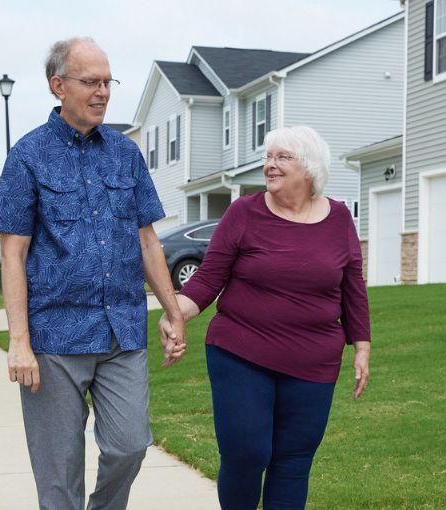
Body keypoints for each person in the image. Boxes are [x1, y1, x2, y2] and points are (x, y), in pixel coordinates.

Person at [0, 36, 186, 510]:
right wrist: (19, 340)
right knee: (59, 475)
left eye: (108, 82)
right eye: (90, 82)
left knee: (130, 444)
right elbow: (12, 254)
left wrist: (173, 310)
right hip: (54, 338)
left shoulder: (125, 154)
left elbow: (147, 241)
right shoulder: (28, 156)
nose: (102, 92)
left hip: (121, 332)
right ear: (58, 86)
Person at [160, 125, 371, 509]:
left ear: (308, 169)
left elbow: (352, 284)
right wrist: (176, 315)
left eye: (281, 158)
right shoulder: (244, 212)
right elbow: (208, 279)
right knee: (247, 452)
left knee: (293, 462)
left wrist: (361, 346)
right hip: (241, 352)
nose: (270, 166)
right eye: (268, 157)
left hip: (313, 362)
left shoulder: (339, 218)